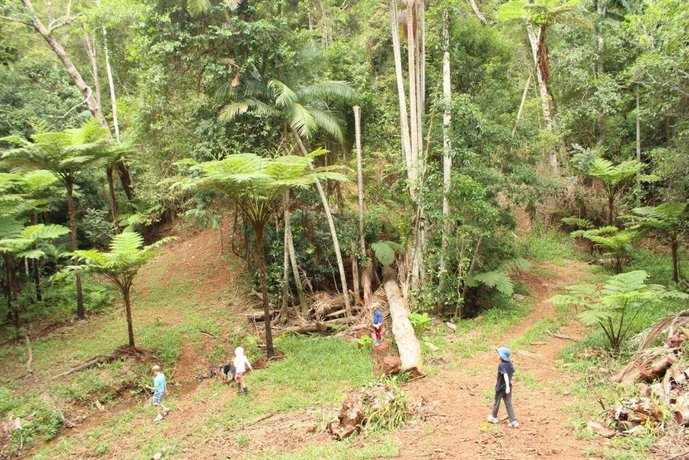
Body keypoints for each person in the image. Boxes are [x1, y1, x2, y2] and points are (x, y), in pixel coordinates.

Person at [487, 347, 519, 428]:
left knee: (497, 402)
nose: (498, 355)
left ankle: (493, 417)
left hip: (501, 388)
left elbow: (505, 375)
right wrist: (508, 387)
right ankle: (513, 421)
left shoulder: (501, 365)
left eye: (499, 354)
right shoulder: (510, 364)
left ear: (502, 356)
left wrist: (507, 386)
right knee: (509, 404)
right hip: (508, 388)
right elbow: (512, 371)